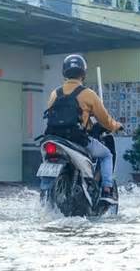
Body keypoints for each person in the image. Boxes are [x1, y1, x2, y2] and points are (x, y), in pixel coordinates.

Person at [45, 54, 122, 203]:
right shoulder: (88, 94)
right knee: (106, 155)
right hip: (77, 140)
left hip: (53, 138)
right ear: (83, 73)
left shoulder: (55, 93)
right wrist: (116, 126)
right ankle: (107, 190)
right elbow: (105, 120)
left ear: (64, 72)